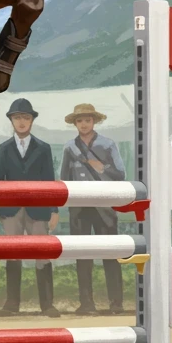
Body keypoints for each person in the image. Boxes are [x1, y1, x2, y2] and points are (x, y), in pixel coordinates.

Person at [0, 98, 60, 318]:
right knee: (13, 255)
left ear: (32, 121)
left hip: (38, 209)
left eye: (26, 118)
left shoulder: (43, 148)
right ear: (11, 120)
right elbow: (0, 181)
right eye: (17, 117)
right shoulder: (4, 148)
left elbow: (50, 181)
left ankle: (47, 304)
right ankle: (12, 303)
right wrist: (2, 212)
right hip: (11, 210)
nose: (21, 122)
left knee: (42, 254)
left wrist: (54, 210)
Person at [60, 103, 127, 316]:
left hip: (104, 205)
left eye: (87, 120)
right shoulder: (69, 148)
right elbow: (64, 178)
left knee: (110, 254)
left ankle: (116, 303)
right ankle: (86, 303)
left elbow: (121, 173)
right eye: (80, 121)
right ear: (75, 123)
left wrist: (102, 168)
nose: (83, 124)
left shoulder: (108, 145)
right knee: (83, 256)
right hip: (79, 207)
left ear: (94, 121)